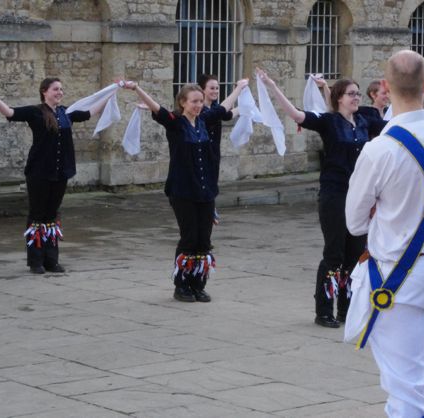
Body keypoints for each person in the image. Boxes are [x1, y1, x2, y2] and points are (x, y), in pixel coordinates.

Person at [345, 50, 424, 417]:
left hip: (401, 276)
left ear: (384, 87)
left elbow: (355, 223)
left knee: (406, 387)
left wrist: (388, 214)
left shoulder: (379, 150)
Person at [257, 68, 386, 328]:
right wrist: (272, 85)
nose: (356, 98)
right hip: (335, 194)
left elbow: (394, 127)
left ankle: (347, 309)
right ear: (339, 97)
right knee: (334, 253)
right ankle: (324, 310)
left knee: (355, 255)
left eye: (358, 94)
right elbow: (295, 114)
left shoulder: (364, 121)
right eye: (351, 94)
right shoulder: (329, 122)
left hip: (360, 196)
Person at [121, 79, 247, 303]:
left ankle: (199, 284)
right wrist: (137, 88)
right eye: (194, 102)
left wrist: (239, 87)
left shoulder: (205, 119)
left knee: (204, 239)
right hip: (182, 190)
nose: (198, 105)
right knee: (189, 237)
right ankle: (182, 285)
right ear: (182, 103)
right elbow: (157, 109)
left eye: (200, 101)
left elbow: (223, 107)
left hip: (206, 189)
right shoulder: (176, 123)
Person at [0, 78, 100, 274]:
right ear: (44, 92)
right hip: (39, 172)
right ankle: (36, 261)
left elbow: (89, 112)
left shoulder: (65, 112)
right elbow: (10, 112)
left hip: (61, 172)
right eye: (55, 89)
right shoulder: (35, 111)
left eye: (61, 89)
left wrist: (112, 93)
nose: (59, 92)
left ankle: (51, 260)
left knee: (52, 214)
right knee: (37, 214)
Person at [198, 74, 248, 223]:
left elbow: (226, 115)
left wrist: (246, 107)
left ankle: (209, 210)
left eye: (217, 88)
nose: (215, 91)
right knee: (203, 184)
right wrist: (238, 89)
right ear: (202, 90)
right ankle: (206, 212)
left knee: (212, 183)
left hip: (214, 153)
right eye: (211, 88)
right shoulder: (199, 110)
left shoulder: (214, 107)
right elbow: (220, 112)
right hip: (201, 154)